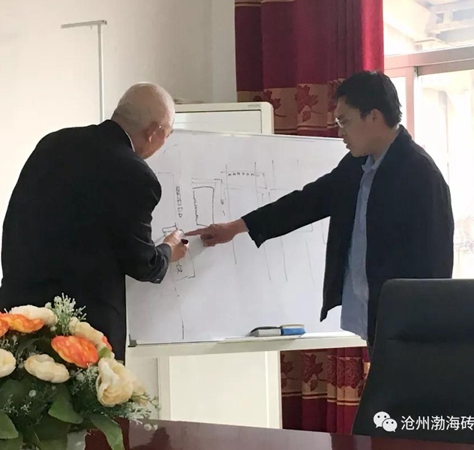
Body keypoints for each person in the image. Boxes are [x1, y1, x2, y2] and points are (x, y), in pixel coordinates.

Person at [186, 71, 454, 356]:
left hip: (407, 327)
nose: (340, 132)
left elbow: (435, 265)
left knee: (394, 386)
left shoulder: (420, 174)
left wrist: (423, 333)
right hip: (376, 316)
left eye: (345, 121)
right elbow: (308, 201)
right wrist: (238, 226)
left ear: (373, 116)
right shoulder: (357, 165)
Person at [0, 83, 188, 360]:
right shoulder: (136, 175)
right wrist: (169, 249)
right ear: (154, 132)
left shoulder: (53, 142)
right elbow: (142, 263)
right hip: (82, 334)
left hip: (18, 313)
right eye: (167, 135)